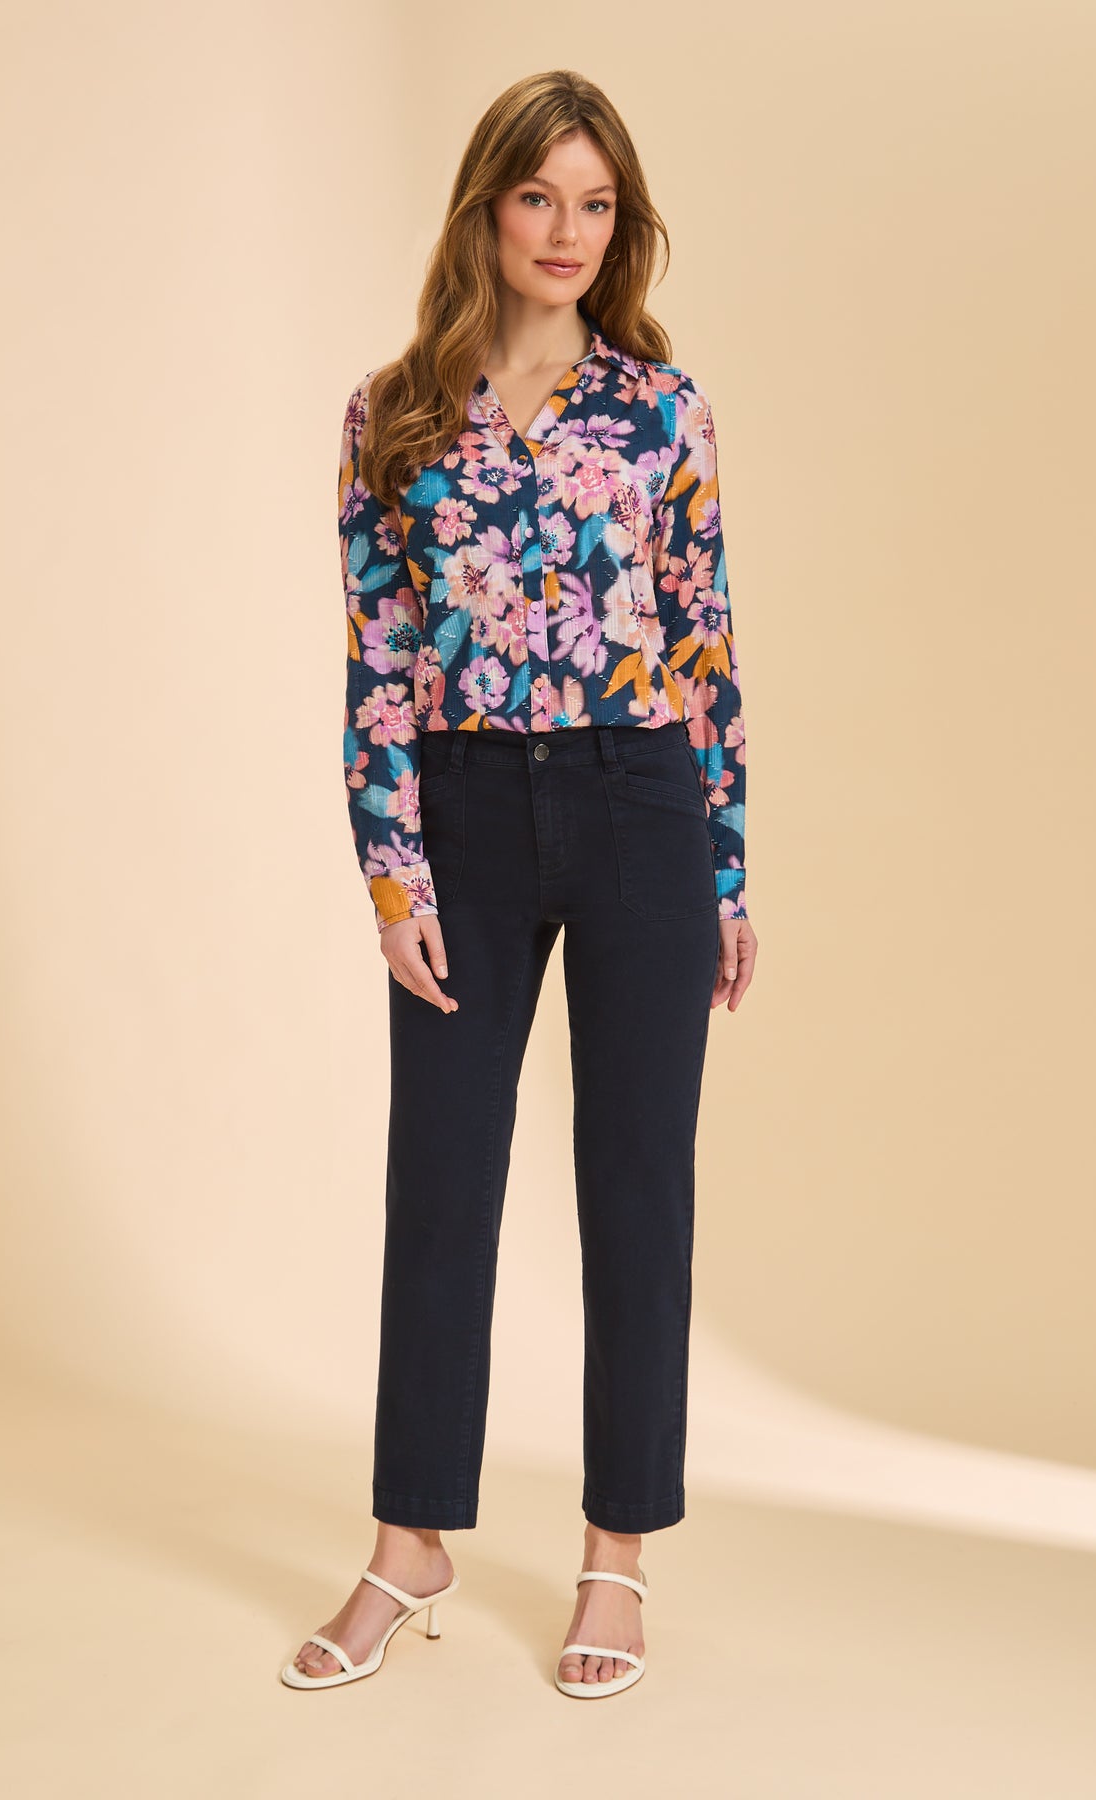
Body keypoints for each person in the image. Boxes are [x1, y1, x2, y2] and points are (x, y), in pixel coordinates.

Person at [286, 68, 758, 1699]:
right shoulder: (393, 411)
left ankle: (615, 1555)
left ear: (621, 225)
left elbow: (702, 644)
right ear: (486, 208)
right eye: (539, 197)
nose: (567, 231)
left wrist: (726, 870)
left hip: (639, 802)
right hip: (468, 814)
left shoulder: (663, 409)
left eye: (595, 203)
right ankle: (408, 1543)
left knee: (636, 1190)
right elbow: (379, 661)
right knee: (441, 1187)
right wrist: (389, 874)